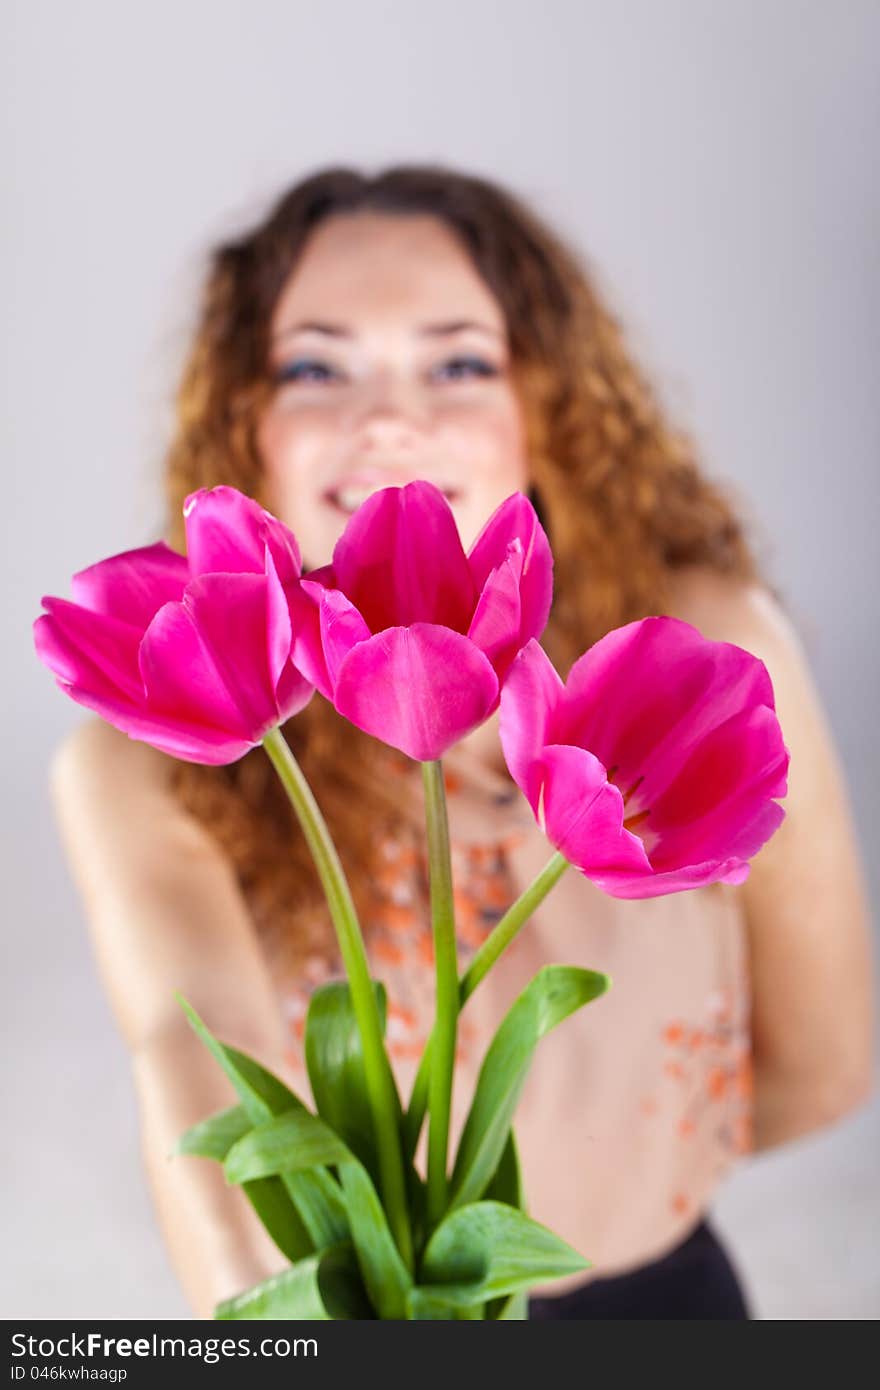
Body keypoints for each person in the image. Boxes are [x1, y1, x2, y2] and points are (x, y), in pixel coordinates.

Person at [48, 165, 874, 1320]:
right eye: (315, 365)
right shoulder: (148, 764)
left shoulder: (707, 651)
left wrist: (630, 1203)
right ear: (247, 419)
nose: (388, 416)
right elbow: (191, 1057)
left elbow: (825, 1064)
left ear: (550, 405)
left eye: (458, 362)